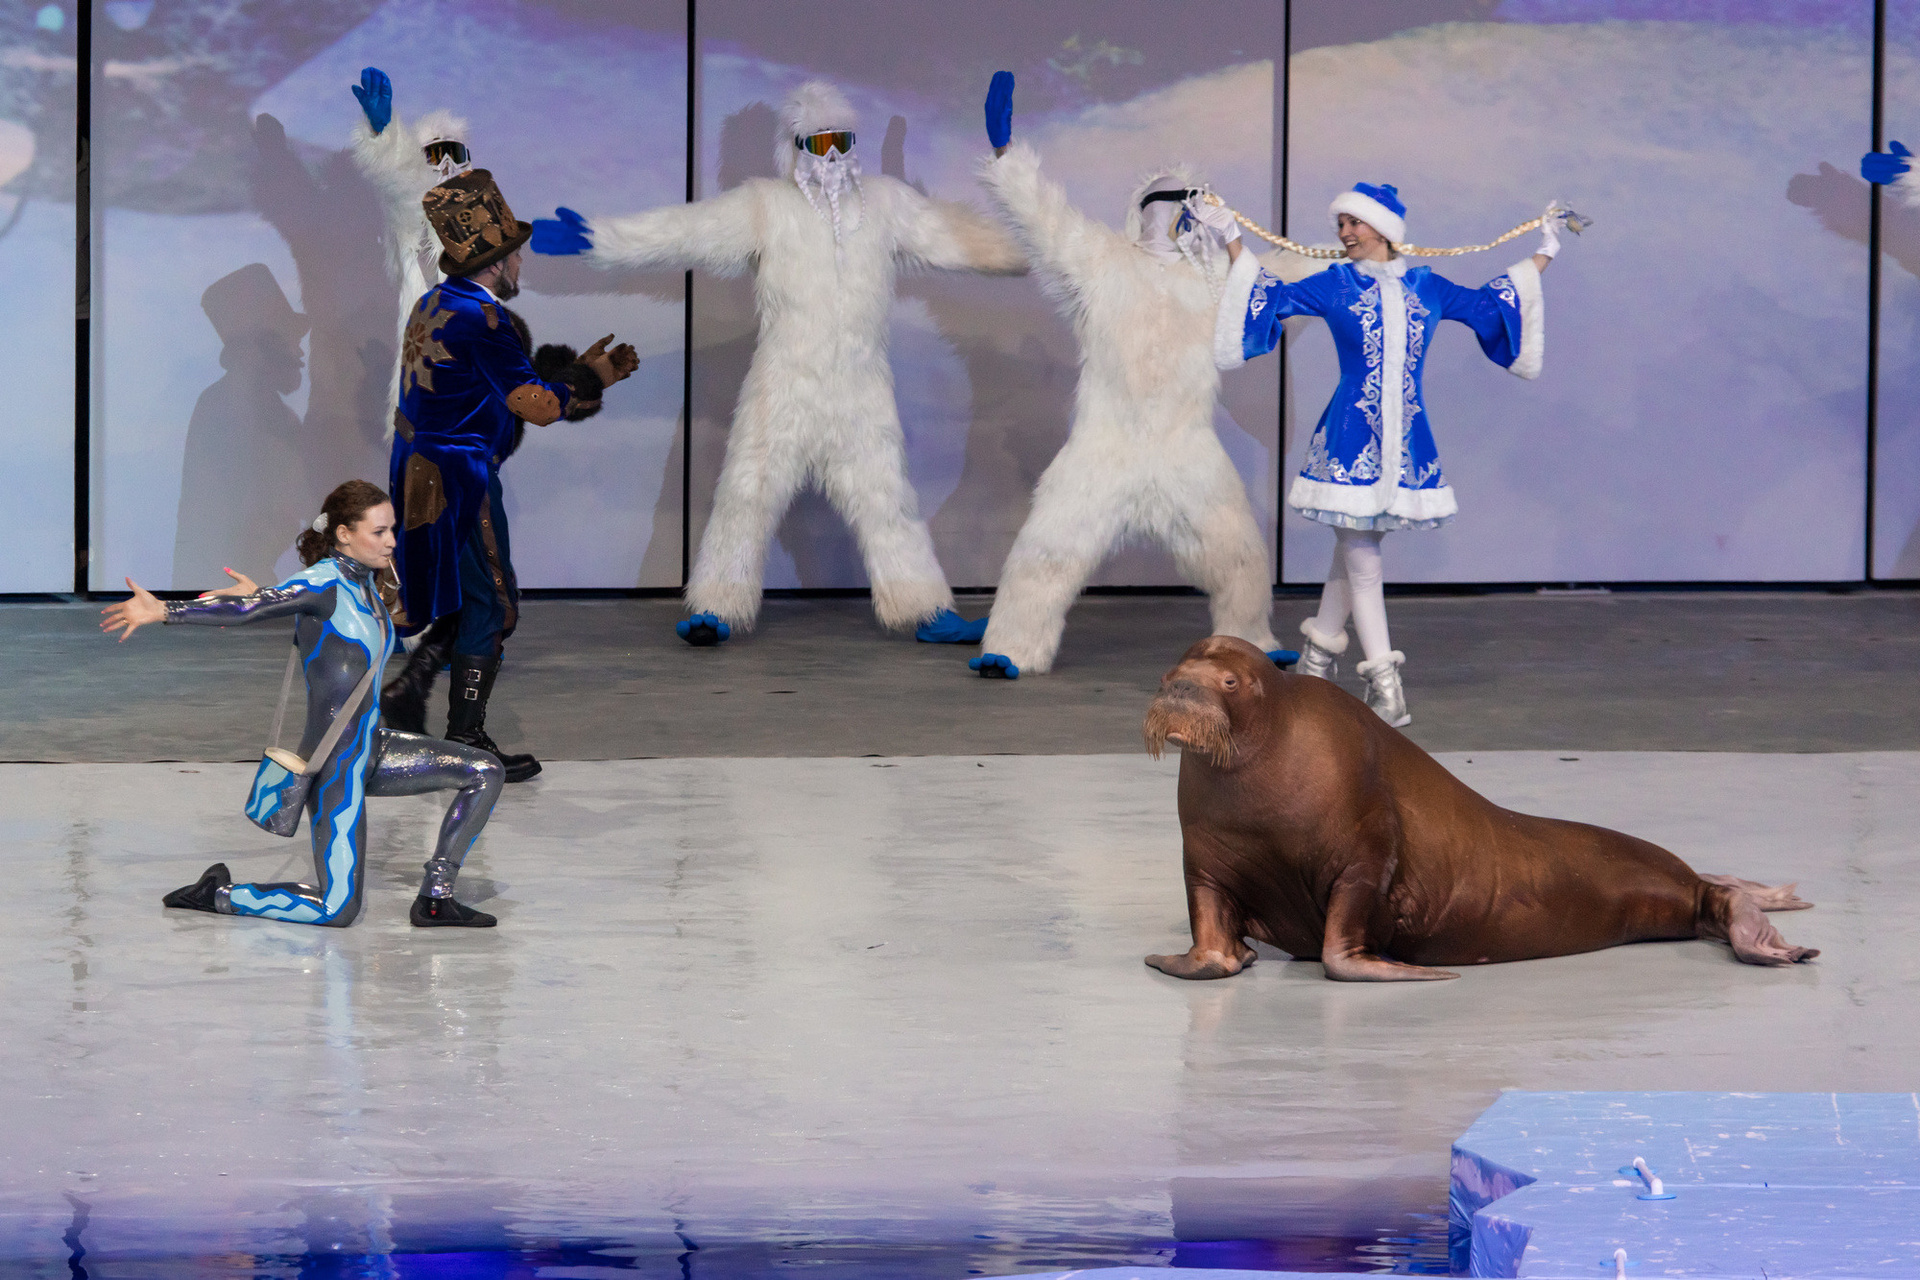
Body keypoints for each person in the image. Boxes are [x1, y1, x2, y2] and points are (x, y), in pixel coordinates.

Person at [530, 80, 1024, 647]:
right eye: (819, 143)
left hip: (861, 390)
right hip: (782, 386)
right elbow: (686, 231)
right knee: (747, 492)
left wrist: (1036, 234)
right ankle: (717, 608)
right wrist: (601, 238)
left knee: (889, 500)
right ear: (794, 149)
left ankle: (926, 611)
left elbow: (962, 240)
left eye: (842, 141)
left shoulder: (886, 205)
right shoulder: (766, 206)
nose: (832, 155)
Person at [965, 71, 1285, 679]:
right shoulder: (1102, 261)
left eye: (1195, 201)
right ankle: (1012, 646)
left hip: (1186, 446)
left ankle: (1252, 643)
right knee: (1048, 544)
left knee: (1238, 550)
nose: (1184, 212)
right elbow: (1048, 222)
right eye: (1173, 201)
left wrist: (1365, 254)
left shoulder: (1217, 279)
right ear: (1143, 211)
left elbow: (1281, 281)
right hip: (1105, 445)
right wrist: (1007, 157)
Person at [1214, 182, 1563, 725]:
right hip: (1350, 438)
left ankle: (1317, 663)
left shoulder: (1428, 286)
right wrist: (1232, 239)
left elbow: (1489, 305)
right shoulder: (1335, 283)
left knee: (1354, 549)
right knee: (1362, 555)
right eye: (1341, 224)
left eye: (1354, 222)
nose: (1344, 233)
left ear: (1383, 228)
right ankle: (1385, 683)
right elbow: (1270, 296)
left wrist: (1545, 251)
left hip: (1404, 442)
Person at [101, 480, 506, 928]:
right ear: (344, 534)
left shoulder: (365, 585)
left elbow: (287, 612)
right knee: (338, 909)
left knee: (485, 770)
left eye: (392, 529)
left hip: (374, 746)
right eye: (379, 532)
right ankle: (219, 893)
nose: (392, 541)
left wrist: (258, 594)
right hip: (336, 764)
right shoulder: (321, 582)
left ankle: (436, 898)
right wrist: (164, 610)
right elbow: (249, 610)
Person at [380, 169, 639, 783]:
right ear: (495, 264)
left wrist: (569, 376)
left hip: (418, 465)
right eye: (516, 253)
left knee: (458, 595)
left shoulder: (433, 303)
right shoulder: (485, 320)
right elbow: (538, 407)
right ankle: (466, 739)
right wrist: (593, 378)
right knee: (494, 604)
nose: (522, 261)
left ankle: (411, 698)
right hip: (459, 476)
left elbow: (486, 388)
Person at [347, 66, 477, 424]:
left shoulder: (483, 217)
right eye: (436, 155)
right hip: (430, 371)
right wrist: (385, 137)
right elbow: (406, 187)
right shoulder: (411, 217)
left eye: (455, 153)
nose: (446, 165)